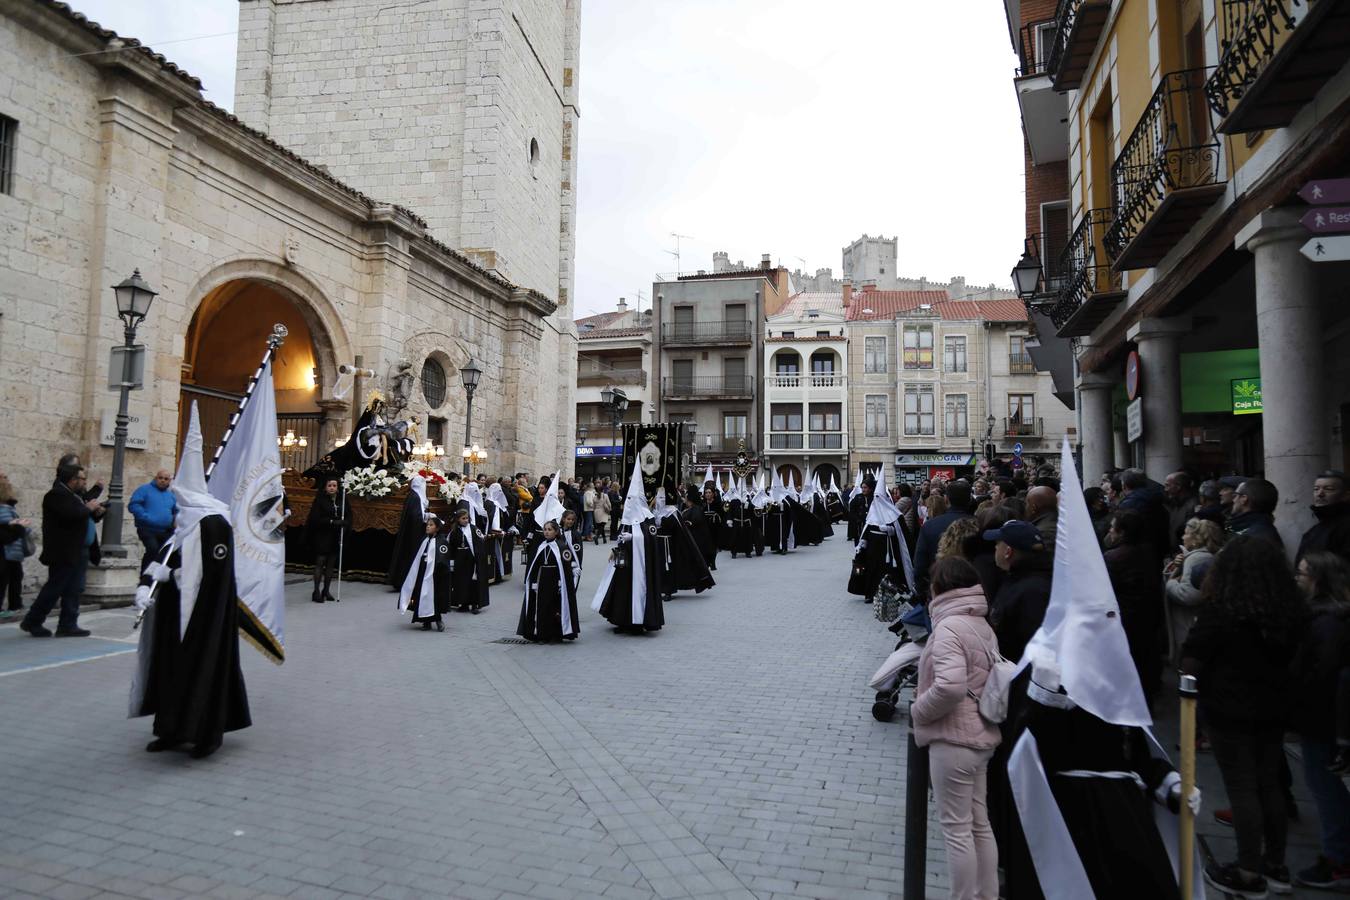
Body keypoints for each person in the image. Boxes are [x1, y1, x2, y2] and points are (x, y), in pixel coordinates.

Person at [1182, 535, 1306, 897]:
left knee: (1242, 786)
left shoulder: (1223, 611)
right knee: (1268, 782)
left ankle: (1249, 870)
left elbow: (1192, 660)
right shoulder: (1289, 609)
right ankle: (1275, 863)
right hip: (1273, 708)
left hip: (1229, 708)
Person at [132, 410, 250, 759]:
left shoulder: (214, 524)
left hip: (204, 618)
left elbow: (218, 573)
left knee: (202, 672)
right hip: (174, 617)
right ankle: (169, 728)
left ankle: (205, 734)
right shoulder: (183, 523)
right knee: (169, 670)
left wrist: (180, 578)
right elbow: (165, 555)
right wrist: (147, 583)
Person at [910, 557, 1001, 900]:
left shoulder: (949, 626)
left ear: (940, 588)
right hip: (980, 734)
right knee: (978, 823)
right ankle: (985, 895)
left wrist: (920, 711)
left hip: (954, 738)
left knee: (957, 829)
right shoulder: (979, 621)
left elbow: (950, 686)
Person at [1290, 552, 1350, 891]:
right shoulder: (1330, 617)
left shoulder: (1327, 623)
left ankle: (1338, 860)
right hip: (1326, 720)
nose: (1297, 578)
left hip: (1322, 722)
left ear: (1319, 581)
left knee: (1326, 790)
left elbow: (1318, 677)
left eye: (1302, 574)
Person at [21, 464, 103, 638]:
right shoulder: (56, 495)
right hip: (64, 551)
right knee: (55, 587)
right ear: (73, 480)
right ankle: (33, 621)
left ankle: (68, 624)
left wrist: (96, 511)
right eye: (82, 479)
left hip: (80, 549)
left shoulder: (76, 496)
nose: (84, 482)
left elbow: (83, 516)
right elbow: (71, 515)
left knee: (74, 589)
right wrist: (88, 508)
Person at [592, 465, 665, 634]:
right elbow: (621, 537)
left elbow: (651, 540)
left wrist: (635, 538)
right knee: (623, 591)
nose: (629, 504)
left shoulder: (648, 519)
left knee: (638, 591)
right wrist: (616, 548)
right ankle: (623, 621)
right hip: (625, 563)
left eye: (632, 500)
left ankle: (638, 622)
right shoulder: (627, 519)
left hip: (641, 566)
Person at [1103, 509, 1163, 707]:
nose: (1110, 532)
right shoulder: (1149, 551)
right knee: (1145, 660)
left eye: (1113, 528)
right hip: (1148, 616)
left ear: (1122, 532)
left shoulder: (1113, 557)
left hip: (1125, 619)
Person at [1163, 517, 1224, 662]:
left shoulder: (1198, 559)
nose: (1183, 537)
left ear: (1196, 538)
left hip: (1188, 620)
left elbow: (1188, 595)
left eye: (1186, 533)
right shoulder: (1196, 556)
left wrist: (1170, 583)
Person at [517, 519, 580, 642]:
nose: (546, 532)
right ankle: (542, 634)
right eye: (545, 529)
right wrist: (534, 582)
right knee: (542, 608)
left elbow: (566, 567)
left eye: (549, 530)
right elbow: (534, 567)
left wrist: (563, 582)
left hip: (555, 581)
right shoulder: (541, 546)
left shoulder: (561, 546)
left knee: (555, 607)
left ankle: (556, 634)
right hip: (542, 581)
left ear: (556, 532)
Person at [914, 482, 975, 600]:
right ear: (969, 500)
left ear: (946, 499)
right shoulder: (979, 524)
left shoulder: (931, 525)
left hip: (939, 589)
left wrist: (923, 593)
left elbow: (920, 565)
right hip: (972, 592)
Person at [398, 515, 451, 631]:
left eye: (431, 525)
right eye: (427, 525)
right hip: (422, 573)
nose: (428, 527)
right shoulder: (424, 540)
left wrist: (437, 568)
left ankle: (438, 620)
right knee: (421, 596)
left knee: (433, 598)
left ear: (437, 528)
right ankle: (425, 621)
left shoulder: (442, 541)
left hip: (434, 576)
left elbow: (443, 559)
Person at [305, 476, 350, 603]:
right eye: (329, 485)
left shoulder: (342, 499)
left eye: (334, 486)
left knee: (331, 564)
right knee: (320, 562)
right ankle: (316, 591)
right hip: (322, 535)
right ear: (325, 487)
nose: (332, 488)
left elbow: (348, 515)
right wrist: (331, 521)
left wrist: (344, 523)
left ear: (337, 487)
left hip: (335, 535)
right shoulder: (320, 500)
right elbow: (315, 518)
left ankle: (326, 590)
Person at [128, 469, 177, 574]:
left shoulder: (171, 496)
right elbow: (134, 505)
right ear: (156, 478)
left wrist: (175, 520)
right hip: (147, 529)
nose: (163, 481)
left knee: (167, 553)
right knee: (152, 549)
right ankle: (145, 576)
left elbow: (176, 511)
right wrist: (145, 517)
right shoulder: (144, 490)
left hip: (165, 531)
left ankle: (158, 578)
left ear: (169, 481)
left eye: (166, 479)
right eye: (160, 478)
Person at [386, 474, 430, 589]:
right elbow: (416, 516)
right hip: (413, 533)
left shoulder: (414, 496)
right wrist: (426, 517)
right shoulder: (415, 497)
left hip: (412, 531)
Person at [1298, 470, 1350, 565]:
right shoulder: (1313, 532)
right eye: (1316, 489)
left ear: (1346, 495)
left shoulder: (1345, 528)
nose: (1320, 494)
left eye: (1328, 489)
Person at [447, 507, 490, 613]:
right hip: (460, 562)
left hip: (472, 560)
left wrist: (479, 558)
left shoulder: (474, 529)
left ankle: (475, 604)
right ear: (458, 519)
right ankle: (464, 603)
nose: (466, 520)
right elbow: (451, 547)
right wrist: (452, 561)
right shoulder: (454, 532)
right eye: (463, 518)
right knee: (462, 583)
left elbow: (480, 543)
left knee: (473, 582)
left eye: (467, 518)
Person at [0, 474, 32, 616]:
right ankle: (13, 606)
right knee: (8, 579)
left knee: (14, 578)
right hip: (8, 550)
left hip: (12, 550)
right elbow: (6, 527)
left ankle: (15, 605)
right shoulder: (5, 509)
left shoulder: (8, 508)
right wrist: (19, 526)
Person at [1228, 477, 1283, 549]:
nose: (1233, 500)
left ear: (1243, 499)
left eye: (1235, 495)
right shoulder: (1259, 530)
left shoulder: (1252, 538)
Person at [1164, 471, 1197, 546]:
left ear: (1178, 486)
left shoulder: (1192, 506)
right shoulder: (1174, 504)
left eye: (1168, 485)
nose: (1165, 489)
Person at [592, 479, 611, 545]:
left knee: (600, 526)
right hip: (603, 511)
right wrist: (609, 509)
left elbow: (593, 506)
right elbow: (609, 504)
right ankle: (596, 537)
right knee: (602, 526)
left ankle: (604, 538)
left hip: (597, 512)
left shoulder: (594, 497)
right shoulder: (605, 496)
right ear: (603, 490)